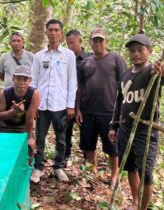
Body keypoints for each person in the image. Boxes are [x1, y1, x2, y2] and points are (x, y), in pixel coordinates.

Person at [109, 34, 164, 210]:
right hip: (126, 127)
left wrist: (163, 72)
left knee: (146, 173)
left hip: (145, 129)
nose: (136, 54)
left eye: (140, 50)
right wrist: (114, 125)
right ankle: (135, 202)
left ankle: (143, 208)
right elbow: (119, 101)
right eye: (132, 51)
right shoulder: (126, 74)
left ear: (149, 52)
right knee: (129, 167)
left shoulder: (152, 71)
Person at [75, 27, 126, 188]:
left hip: (110, 112)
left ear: (106, 42)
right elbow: (80, 87)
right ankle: (93, 172)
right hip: (88, 111)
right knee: (89, 145)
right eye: (94, 40)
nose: (97, 43)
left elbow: (124, 85)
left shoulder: (116, 59)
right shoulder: (85, 63)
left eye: (100, 40)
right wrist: (77, 109)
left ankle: (114, 176)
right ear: (89, 42)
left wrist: (121, 112)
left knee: (112, 147)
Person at [30, 19, 77, 183]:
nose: (53, 33)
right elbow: (34, 82)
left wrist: (71, 105)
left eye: (56, 30)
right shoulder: (38, 56)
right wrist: (33, 104)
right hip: (42, 105)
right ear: (46, 32)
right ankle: (38, 167)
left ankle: (58, 167)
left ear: (61, 33)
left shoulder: (68, 55)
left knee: (61, 138)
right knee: (40, 137)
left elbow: (72, 81)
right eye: (50, 30)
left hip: (60, 105)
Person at [0, 65, 41, 157]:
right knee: (0, 153)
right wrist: (14, 112)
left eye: (25, 79)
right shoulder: (4, 93)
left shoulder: (34, 94)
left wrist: (30, 137)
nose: (21, 83)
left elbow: (30, 117)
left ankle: (30, 168)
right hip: (4, 126)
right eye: (18, 79)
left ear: (30, 81)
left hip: (23, 127)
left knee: (29, 149)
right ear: (13, 78)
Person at [64, 29, 92, 165]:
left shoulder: (90, 59)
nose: (70, 46)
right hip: (68, 102)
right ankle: (65, 157)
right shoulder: (65, 59)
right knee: (66, 131)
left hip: (85, 103)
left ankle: (88, 161)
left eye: (72, 43)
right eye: (67, 43)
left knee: (86, 132)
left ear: (80, 41)